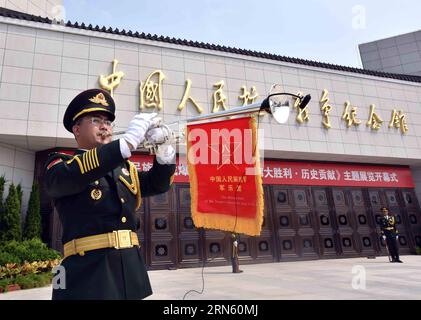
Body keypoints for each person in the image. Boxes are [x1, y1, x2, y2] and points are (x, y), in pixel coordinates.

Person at [44, 88, 176, 299]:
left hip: (129, 270)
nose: (105, 126)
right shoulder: (61, 164)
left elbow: (157, 185)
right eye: (96, 120)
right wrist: (125, 144)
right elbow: (76, 174)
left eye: (108, 122)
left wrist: (165, 150)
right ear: (77, 129)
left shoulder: (124, 169)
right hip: (87, 273)